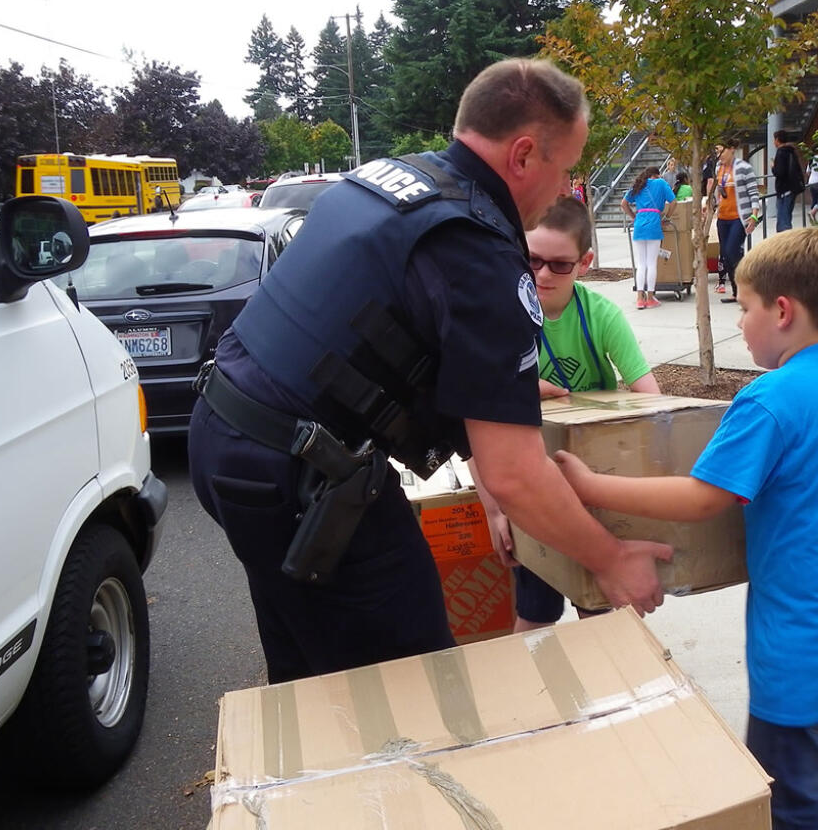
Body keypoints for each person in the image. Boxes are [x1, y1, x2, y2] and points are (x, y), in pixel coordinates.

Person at [187, 58, 672, 683]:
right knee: (412, 687)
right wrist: (610, 561)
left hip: (226, 438)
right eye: (566, 168)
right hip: (298, 477)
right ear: (523, 155)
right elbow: (516, 473)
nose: (565, 189)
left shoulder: (391, 181)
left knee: (315, 668)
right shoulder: (480, 252)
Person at [554, 227, 818, 830]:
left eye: (743, 309)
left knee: (791, 800)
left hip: (808, 629)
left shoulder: (771, 397)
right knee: (802, 780)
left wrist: (587, 486)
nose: (739, 323)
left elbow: (700, 497)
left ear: (783, 311)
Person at [475, 196, 662, 633]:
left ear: (586, 261)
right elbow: (476, 423)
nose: (542, 274)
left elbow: (651, 403)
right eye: (532, 259)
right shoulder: (499, 317)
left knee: (602, 616)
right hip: (529, 496)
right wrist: (494, 510)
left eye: (559, 264)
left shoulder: (601, 316)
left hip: (594, 493)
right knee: (534, 613)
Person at [704, 142, 759, 304]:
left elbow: (753, 193)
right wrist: (710, 204)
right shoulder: (718, 169)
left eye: (721, 151)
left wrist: (754, 215)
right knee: (728, 256)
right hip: (723, 217)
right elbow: (718, 191)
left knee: (731, 251)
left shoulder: (743, 167)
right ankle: (737, 292)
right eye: (717, 151)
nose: (719, 155)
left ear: (732, 149)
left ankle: (747, 288)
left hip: (739, 217)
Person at [621, 165, 676, 309]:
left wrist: (634, 216)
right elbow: (673, 202)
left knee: (641, 263)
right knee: (651, 263)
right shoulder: (661, 183)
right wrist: (667, 217)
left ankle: (640, 298)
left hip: (639, 223)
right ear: (657, 175)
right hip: (654, 223)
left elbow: (624, 203)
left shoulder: (639, 184)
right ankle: (650, 298)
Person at [771, 129, 806, 233]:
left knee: (783, 220)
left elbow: (780, 172)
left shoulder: (781, 152)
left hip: (784, 190)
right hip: (792, 188)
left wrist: (773, 167)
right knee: (787, 217)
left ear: (777, 140)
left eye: (774, 139)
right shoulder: (791, 151)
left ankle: (785, 244)